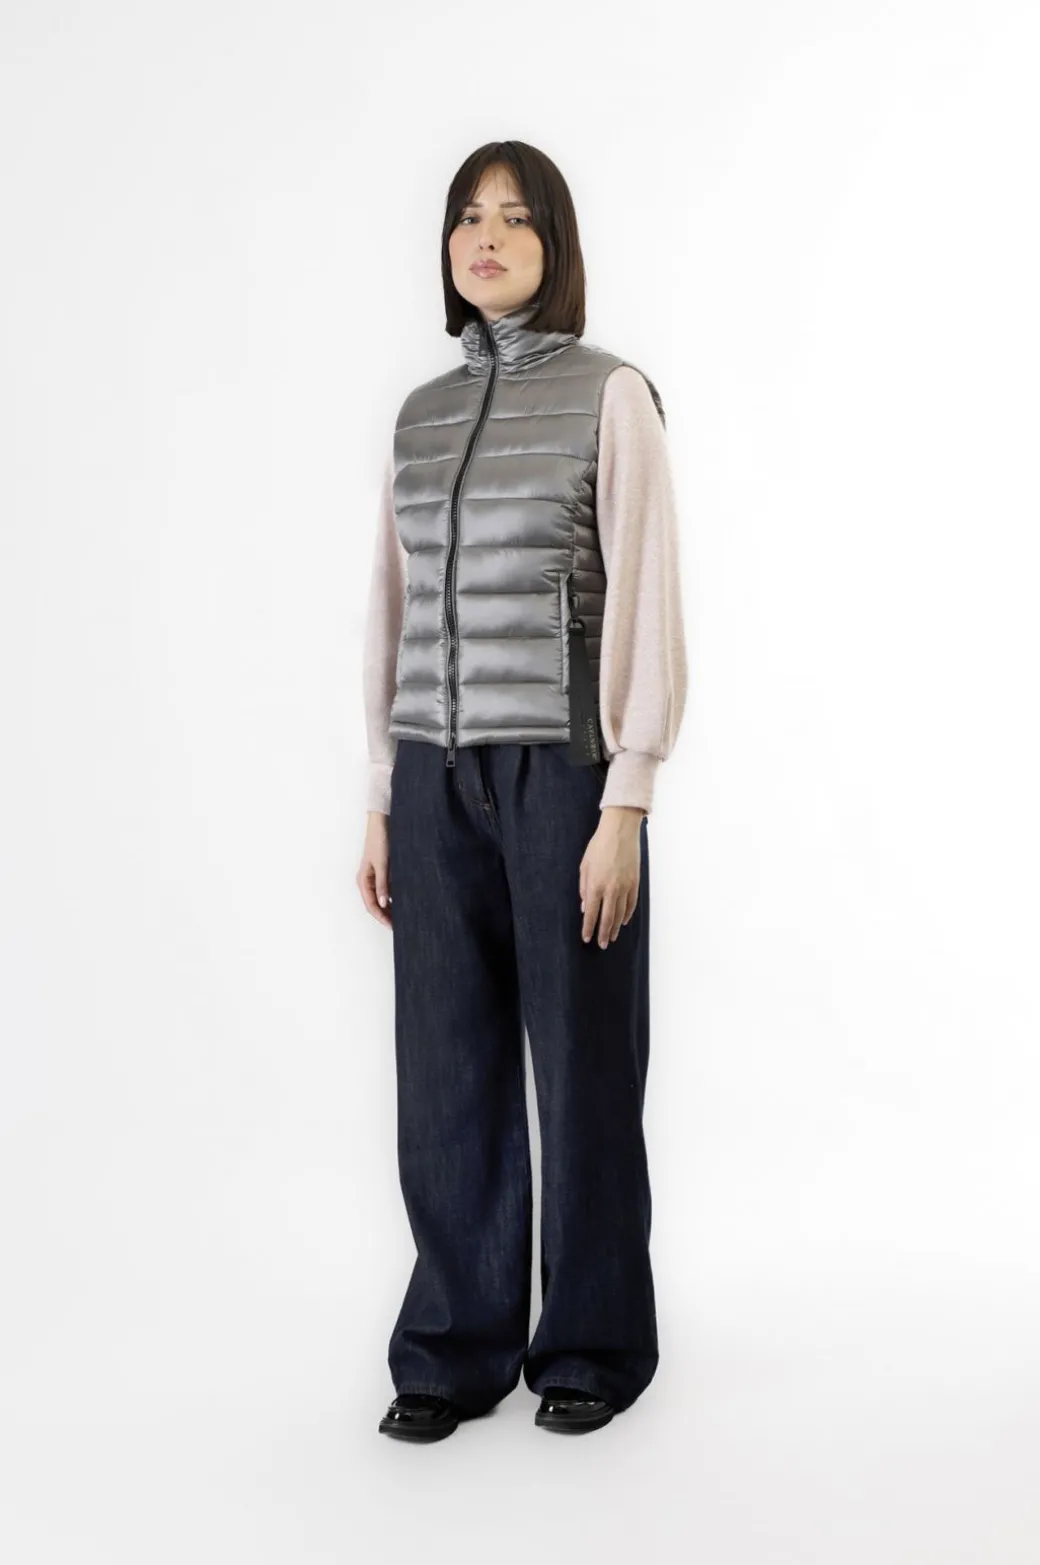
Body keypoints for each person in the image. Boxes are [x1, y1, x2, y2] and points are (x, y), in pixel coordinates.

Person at [357, 140, 688, 1442]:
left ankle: (593, 1345)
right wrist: (382, 794)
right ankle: (453, 1348)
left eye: (513, 217)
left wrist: (628, 799)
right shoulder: (419, 416)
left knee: (585, 1066)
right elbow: (389, 612)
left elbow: (647, 590)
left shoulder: (612, 396)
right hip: (433, 775)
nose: (485, 238)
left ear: (556, 243)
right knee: (446, 1072)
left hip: (564, 771)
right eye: (466, 218)